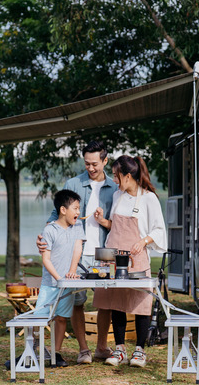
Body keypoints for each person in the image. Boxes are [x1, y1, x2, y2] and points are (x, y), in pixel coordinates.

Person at [38, 140, 117, 363]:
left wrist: (104, 220)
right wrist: (44, 236)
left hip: (105, 252)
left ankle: (102, 347)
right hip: (77, 254)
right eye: (86, 164)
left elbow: (117, 223)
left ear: (105, 160)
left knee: (105, 302)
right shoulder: (72, 183)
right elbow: (56, 216)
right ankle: (84, 349)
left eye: (95, 164)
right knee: (77, 301)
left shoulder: (115, 188)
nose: (90, 168)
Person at [91, 155, 166, 368]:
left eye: (116, 176)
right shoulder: (117, 195)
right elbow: (114, 226)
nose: (114, 180)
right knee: (116, 301)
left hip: (136, 258)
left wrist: (143, 241)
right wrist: (101, 220)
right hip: (113, 257)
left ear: (128, 175)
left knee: (141, 303)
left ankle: (140, 351)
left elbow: (159, 230)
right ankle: (120, 349)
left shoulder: (149, 198)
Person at [33, 189, 84, 368]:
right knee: (40, 318)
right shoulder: (49, 230)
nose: (78, 212)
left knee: (62, 318)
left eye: (79, 208)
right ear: (63, 210)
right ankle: (34, 349)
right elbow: (45, 259)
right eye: (75, 208)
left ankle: (55, 352)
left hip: (67, 283)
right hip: (50, 284)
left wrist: (71, 272)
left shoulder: (78, 227)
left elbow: (78, 249)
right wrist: (59, 278)